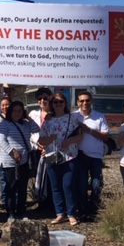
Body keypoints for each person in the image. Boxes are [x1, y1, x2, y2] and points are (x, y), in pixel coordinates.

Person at [38, 92, 83, 226]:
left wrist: (69, 141)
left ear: (65, 103)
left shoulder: (72, 118)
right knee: (55, 186)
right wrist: (49, 139)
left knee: (68, 185)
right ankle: (59, 214)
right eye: (55, 102)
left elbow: (80, 136)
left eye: (61, 102)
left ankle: (71, 213)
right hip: (52, 156)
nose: (58, 104)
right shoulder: (47, 121)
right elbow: (41, 139)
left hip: (69, 156)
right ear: (51, 104)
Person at [0, 101, 40, 222]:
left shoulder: (25, 124)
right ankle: (10, 212)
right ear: (10, 112)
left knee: (22, 188)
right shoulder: (4, 124)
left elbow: (37, 128)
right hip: (9, 162)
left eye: (19, 111)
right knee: (11, 187)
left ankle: (21, 211)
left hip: (23, 161)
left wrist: (28, 118)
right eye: (14, 111)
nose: (17, 113)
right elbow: (1, 140)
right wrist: (12, 151)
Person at [73, 90, 109, 220]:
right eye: (82, 100)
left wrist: (89, 130)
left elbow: (105, 137)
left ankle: (93, 210)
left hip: (96, 156)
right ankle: (82, 211)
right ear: (77, 102)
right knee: (81, 185)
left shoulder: (99, 116)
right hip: (80, 155)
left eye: (87, 100)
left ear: (91, 101)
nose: (84, 103)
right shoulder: (73, 116)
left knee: (96, 184)